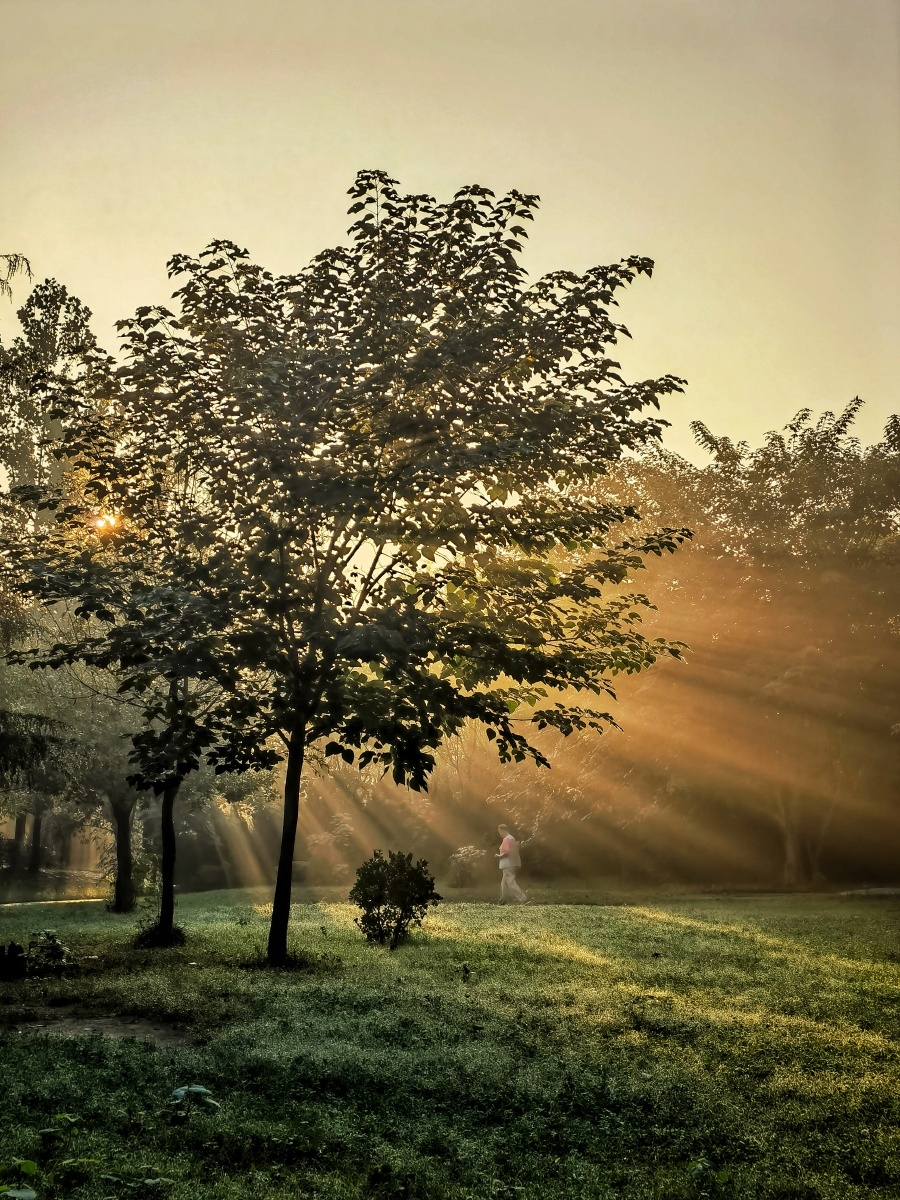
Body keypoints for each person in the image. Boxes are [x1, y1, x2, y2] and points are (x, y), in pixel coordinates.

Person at [495, 824, 529, 904]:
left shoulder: (506, 839)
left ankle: (523, 898)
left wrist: (499, 856)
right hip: (512, 863)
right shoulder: (512, 838)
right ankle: (503, 899)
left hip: (508, 864)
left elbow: (507, 852)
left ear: (502, 830)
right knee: (504, 883)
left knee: (510, 882)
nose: (500, 833)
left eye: (499, 831)